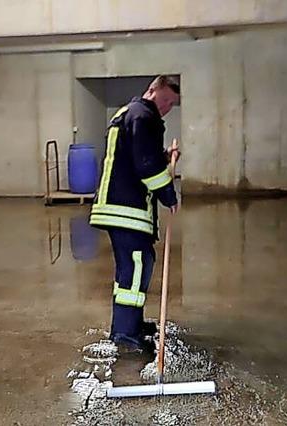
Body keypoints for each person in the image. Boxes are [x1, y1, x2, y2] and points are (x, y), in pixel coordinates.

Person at [90, 75, 181, 352]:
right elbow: (145, 166)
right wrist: (168, 194)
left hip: (120, 206)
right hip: (126, 209)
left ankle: (129, 325)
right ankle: (126, 335)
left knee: (133, 269)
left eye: (172, 104)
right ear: (152, 90)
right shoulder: (143, 117)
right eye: (165, 100)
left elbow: (138, 156)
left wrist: (164, 157)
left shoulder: (130, 113)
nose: (166, 107)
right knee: (135, 269)